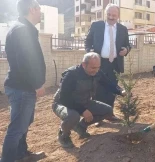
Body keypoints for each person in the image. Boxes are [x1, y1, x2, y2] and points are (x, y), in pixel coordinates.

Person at [1, 0, 46, 162]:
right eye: (39, 9)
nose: (40, 12)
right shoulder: (22, 30)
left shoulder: (22, 28)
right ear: (32, 9)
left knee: (24, 123)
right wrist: (37, 84)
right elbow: (25, 62)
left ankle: (21, 155)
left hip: (22, 87)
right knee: (17, 128)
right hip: (22, 88)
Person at [52, 52, 126, 148]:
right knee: (73, 116)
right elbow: (64, 98)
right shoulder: (71, 74)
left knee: (107, 110)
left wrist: (120, 91)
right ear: (84, 64)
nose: (96, 70)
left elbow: (108, 83)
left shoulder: (97, 72)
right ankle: (63, 135)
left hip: (84, 101)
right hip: (62, 104)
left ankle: (80, 127)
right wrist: (82, 110)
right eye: (93, 68)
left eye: (98, 67)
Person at [85, 3, 131, 123]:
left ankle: (109, 114)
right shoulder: (96, 26)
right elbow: (88, 41)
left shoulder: (123, 29)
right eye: (109, 14)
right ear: (105, 14)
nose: (111, 17)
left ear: (118, 16)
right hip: (99, 63)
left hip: (115, 64)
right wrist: (89, 52)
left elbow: (128, 44)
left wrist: (126, 50)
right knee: (97, 90)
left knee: (112, 90)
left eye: (114, 15)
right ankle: (97, 117)